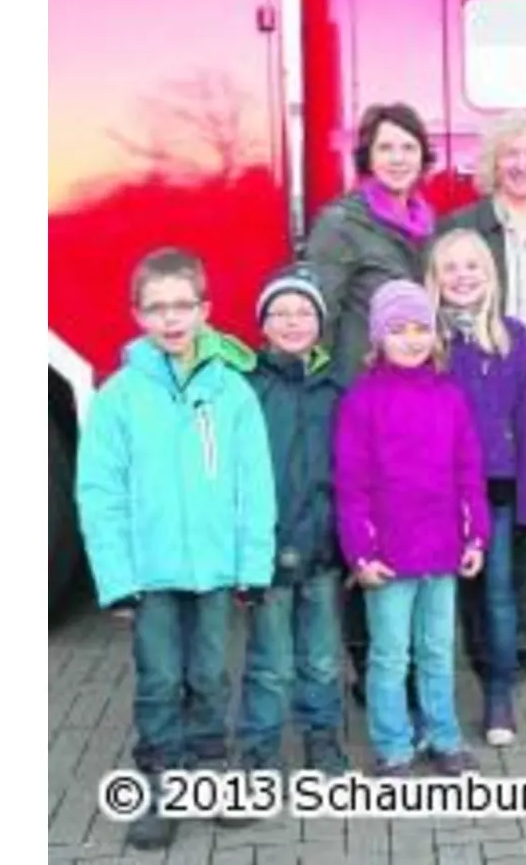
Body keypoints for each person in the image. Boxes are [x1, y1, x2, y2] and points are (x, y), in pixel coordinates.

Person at [75, 248, 275, 850]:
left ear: (205, 310)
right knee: (160, 680)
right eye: (156, 307)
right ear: (137, 315)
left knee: (210, 676)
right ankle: (162, 783)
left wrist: (253, 565)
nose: (171, 318)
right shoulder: (118, 397)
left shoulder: (233, 393)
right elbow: (99, 492)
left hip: (214, 571)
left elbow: (254, 485)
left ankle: (209, 776)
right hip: (150, 574)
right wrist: (116, 578)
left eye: (182, 305)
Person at [304, 101, 437, 703]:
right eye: (386, 147)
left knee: (411, 524)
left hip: (419, 402)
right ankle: (370, 665)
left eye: (408, 147)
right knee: (368, 532)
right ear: (367, 156)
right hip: (362, 403)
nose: (398, 157)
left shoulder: (430, 223)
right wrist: (327, 404)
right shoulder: (342, 222)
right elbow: (318, 315)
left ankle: (405, 656)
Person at [436, 110, 526, 678]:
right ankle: (480, 642)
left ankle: (522, 638)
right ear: (493, 165)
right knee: (473, 518)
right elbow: (438, 295)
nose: (520, 165)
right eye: (510, 154)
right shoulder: (463, 224)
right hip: (473, 397)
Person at [334, 279, 487, 776]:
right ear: (378, 337)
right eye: (398, 329)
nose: (412, 339)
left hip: (442, 552)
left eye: (422, 328)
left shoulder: (450, 396)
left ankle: (444, 738)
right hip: (389, 558)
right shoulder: (362, 401)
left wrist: (475, 535)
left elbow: (468, 471)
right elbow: (351, 485)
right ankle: (394, 745)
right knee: (390, 656)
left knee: (438, 650)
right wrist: (360, 554)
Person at [427, 229, 526, 746]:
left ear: (491, 276)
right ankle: (432, 703)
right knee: (437, 600)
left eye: (472, 266)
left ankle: (499, 691)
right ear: (434, 279)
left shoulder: (514, 339)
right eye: (450, 268)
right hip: (431, 495)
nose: (462, 277)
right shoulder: (422, 340)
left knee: (498, 594)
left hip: (494, 489)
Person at [234, 267, 350, 781]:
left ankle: (322, 739)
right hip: (268, 552)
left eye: (304, 312)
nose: (293, 322)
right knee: (268, 661)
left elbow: (352, 470)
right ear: (263, 324)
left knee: (322, 657)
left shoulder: (337, 388)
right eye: (279, 313)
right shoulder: (245, 389)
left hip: (324, 548)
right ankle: (258, 750)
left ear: (320, 322)